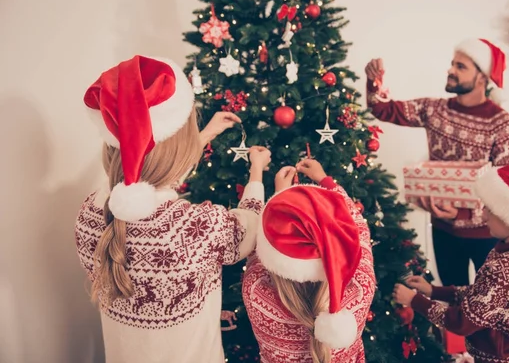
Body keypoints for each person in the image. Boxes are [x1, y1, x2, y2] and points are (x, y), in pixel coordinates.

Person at [74, 55, 271, 363]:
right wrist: (256, 172)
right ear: (177, 144)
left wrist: (204, 135)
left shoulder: (89, 213)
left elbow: (150, 174)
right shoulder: (198, 227)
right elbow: (253, 224)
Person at [365, 38, 509, 287]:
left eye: (461, 67)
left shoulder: (503, 126)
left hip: (489, 235)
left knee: (488, 306)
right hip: (444, 232)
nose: (450, 70)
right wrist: (374, 82)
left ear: (482, 77)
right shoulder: (435, 110)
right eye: (452, 64)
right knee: (452, 301)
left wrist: (463, 212)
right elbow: (383, 109)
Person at [392, 164, 509, 363]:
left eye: (490, 209)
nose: (484, 214)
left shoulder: (507, 267)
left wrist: (415, 300)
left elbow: (463, 322)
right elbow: (482, 296)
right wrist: (434, 291)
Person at [242, 159, 376, 362]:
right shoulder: (361, 288)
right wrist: (325, 180)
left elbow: (252, 239)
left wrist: (277, 193)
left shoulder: (256, 293)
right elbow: (358, 228)